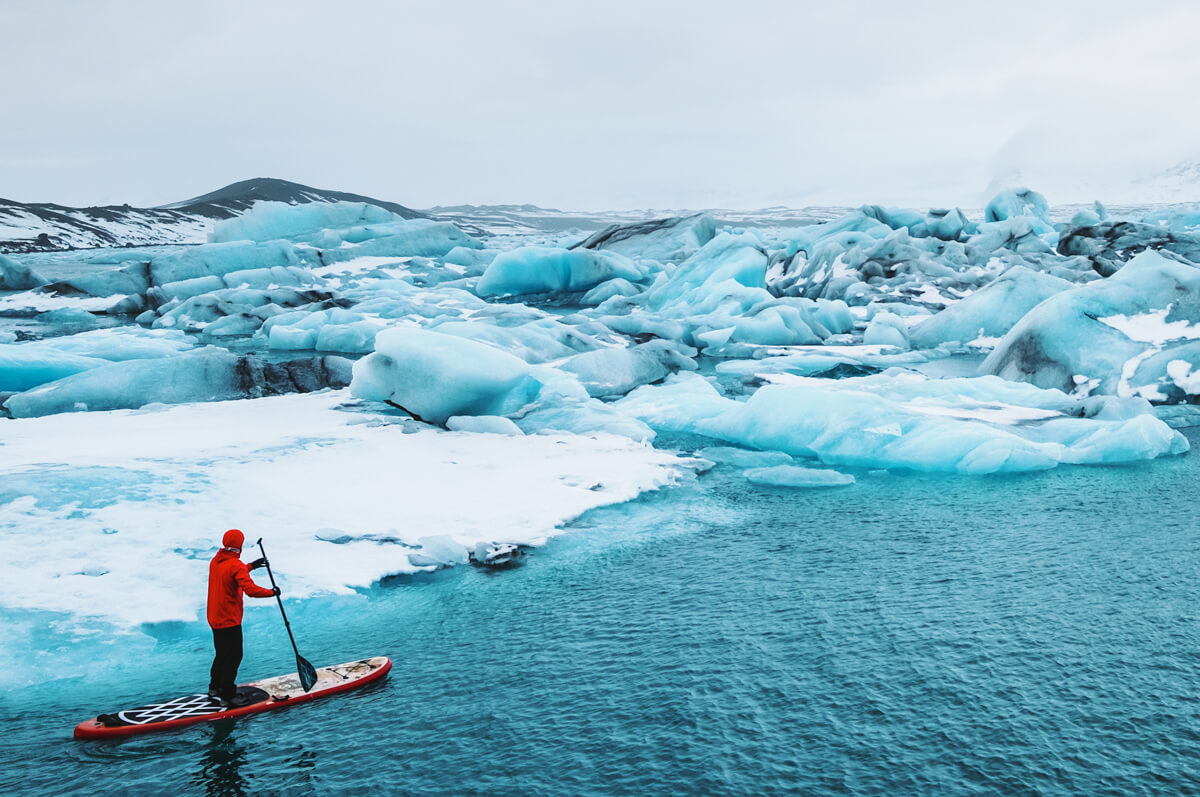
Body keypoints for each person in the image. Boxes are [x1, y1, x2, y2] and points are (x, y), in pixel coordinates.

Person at [207, 529, 277, 707]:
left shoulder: (216, 561)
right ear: (239, 545)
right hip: (229, 618)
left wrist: (251, 566)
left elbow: (230, 571)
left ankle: (214, 688)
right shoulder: (235, 565)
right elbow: (251, 590)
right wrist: (272, 592)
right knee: (234, 656)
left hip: (215, 617)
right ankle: (228, 695)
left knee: (222, 654)